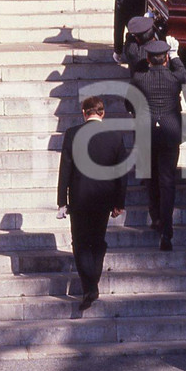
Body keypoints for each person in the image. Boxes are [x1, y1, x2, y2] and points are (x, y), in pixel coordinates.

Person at [56, 96, 127, 310]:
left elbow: (65, 169)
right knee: (97, 241)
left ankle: (90, 286)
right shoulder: (115, 136)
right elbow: (121, 173)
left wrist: (62, 201)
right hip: (104, 198)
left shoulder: (72, 134)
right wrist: (119, 202)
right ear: (102, 113)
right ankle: (91, 284)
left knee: (80, 243)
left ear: (84, 112)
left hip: (79, 196)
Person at [130, 37, 186, 251]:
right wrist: (176, 55)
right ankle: (167, 229)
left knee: (151, 176)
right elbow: (183, 73)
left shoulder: (139, 78)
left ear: (148, 59)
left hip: (147, 131)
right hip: (170, 131)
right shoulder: (175, 77)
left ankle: (155, 217)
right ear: (166, 59)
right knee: (167, 180)